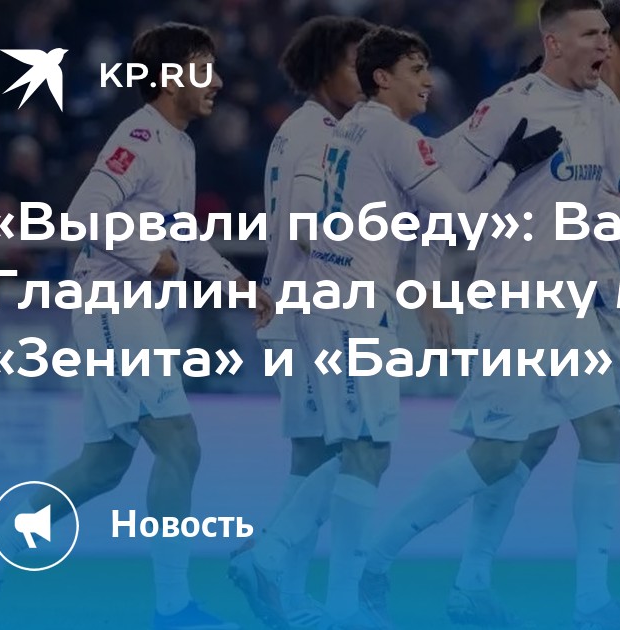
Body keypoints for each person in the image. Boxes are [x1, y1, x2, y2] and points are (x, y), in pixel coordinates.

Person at [397, 2, 620, 627]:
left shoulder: (598, 109)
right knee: (554, 442)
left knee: (562, 440)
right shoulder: (569, 105)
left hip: (586, 295)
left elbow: (604, 203)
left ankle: (488, 584)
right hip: (575, 297)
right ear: (604, 47)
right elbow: (593, 211)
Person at [234, 25, 562, 629]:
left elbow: (424, 200)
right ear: (382, 78)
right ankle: (311, 584)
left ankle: (279, 560)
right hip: (350, 305)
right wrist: (511, 164)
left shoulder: (347, 129)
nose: (428, 81)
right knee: (365, 448)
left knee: (356, 449)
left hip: (326, 302)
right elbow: (462, 215)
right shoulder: (393, 134)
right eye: (416, 70)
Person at [0, 22, 272, 630]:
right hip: (111, 307)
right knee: (181, 446)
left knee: (102, 467)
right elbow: (82, 214)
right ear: (171, 77)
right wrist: (148, 257)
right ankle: (173, 608)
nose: (218, 82)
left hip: (127, 310)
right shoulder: (141, 136)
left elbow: (182, 236)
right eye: (205, 68)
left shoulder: (180, 145)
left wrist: (234, 281)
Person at [225, 15, 374, 629]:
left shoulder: (302, 128)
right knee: (361, 447)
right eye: (353, 64)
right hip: (313, 310)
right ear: (321, 71)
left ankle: (284, 592)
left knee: (313, 455)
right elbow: (310, 227)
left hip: (291, 306)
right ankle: (267, 558)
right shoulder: (321, 134)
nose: (365, 75)